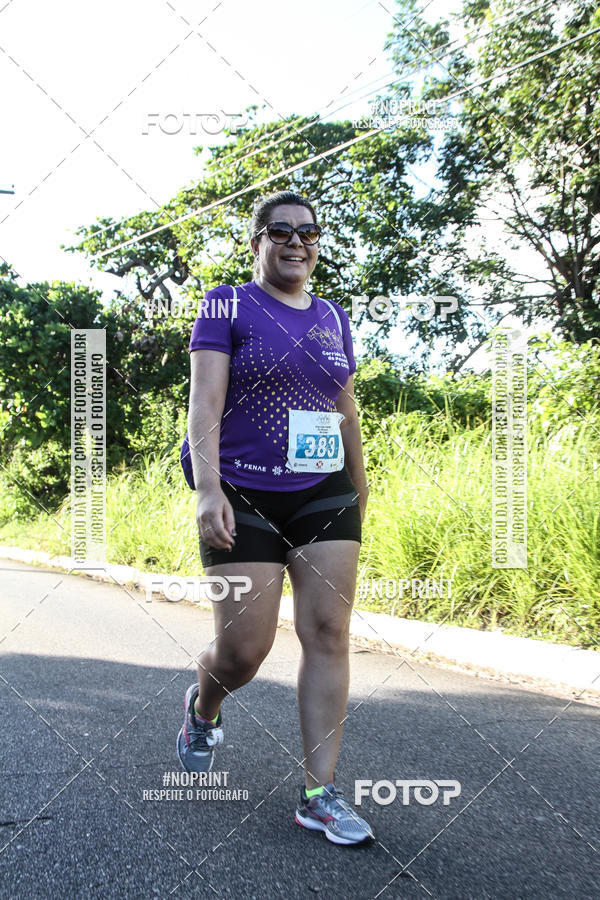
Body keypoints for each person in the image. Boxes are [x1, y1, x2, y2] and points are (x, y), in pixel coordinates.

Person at [178, 190, 374, 845]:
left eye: (309, 232)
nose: (297, 241)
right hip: (243, 488)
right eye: (281, 231)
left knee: (326, 631)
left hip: (323, 491)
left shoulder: (334, 317)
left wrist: (360, 485)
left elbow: (343, 404)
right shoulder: (227, 304)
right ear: (256, 242)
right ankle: (204, 708)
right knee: (243, 651)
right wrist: (209, 491)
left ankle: (320, 794)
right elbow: (205, 403)